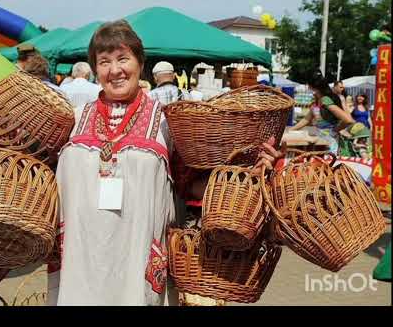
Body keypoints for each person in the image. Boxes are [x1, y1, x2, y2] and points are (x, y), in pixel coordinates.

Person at [46, 20, 284, 306]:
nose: (115, 70)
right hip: (78, 264)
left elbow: (192, 186)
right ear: (95, 69)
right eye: (104, 61)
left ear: (140, 63)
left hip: (136, 265)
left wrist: (251, 173)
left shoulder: (169, 123)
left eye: (123, 58)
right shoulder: (72, 118)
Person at [290, 71, 355, 153]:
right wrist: (290, 131)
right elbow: (306, 120)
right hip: (320, 143)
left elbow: (348, 120)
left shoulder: (325, 100)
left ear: (311, 87)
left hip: (330, 145)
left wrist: (335, 130)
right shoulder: (317, 100)